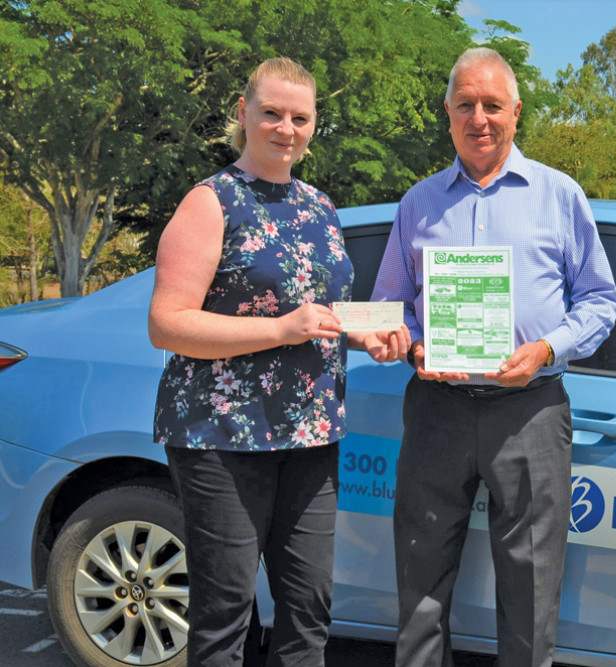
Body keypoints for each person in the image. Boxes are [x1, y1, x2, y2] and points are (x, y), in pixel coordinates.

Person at [148, 57, 409, 666]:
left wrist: (363, 336)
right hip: (222, 438)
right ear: (243, 114)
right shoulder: (210, 202)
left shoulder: (320, 207)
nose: (285, 128)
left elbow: (320, 315)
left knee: (308, 613)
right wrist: (278, 329)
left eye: (299, 117)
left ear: (314, 125)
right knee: (226, 616)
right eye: (271, 113)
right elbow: (166, 323)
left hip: (312, 434)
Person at [371, 47, 616, 667]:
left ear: (516, 111)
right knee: (420, 579)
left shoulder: (559, 196)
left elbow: (599, 302)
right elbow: (389, 305)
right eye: (465, 105)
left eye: (491, 105)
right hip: (437, 408)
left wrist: (545, 349)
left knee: (530, 587)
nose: (478, 118)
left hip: (530, 411)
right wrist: (415, 343)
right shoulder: (419, 203)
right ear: (448, 114)